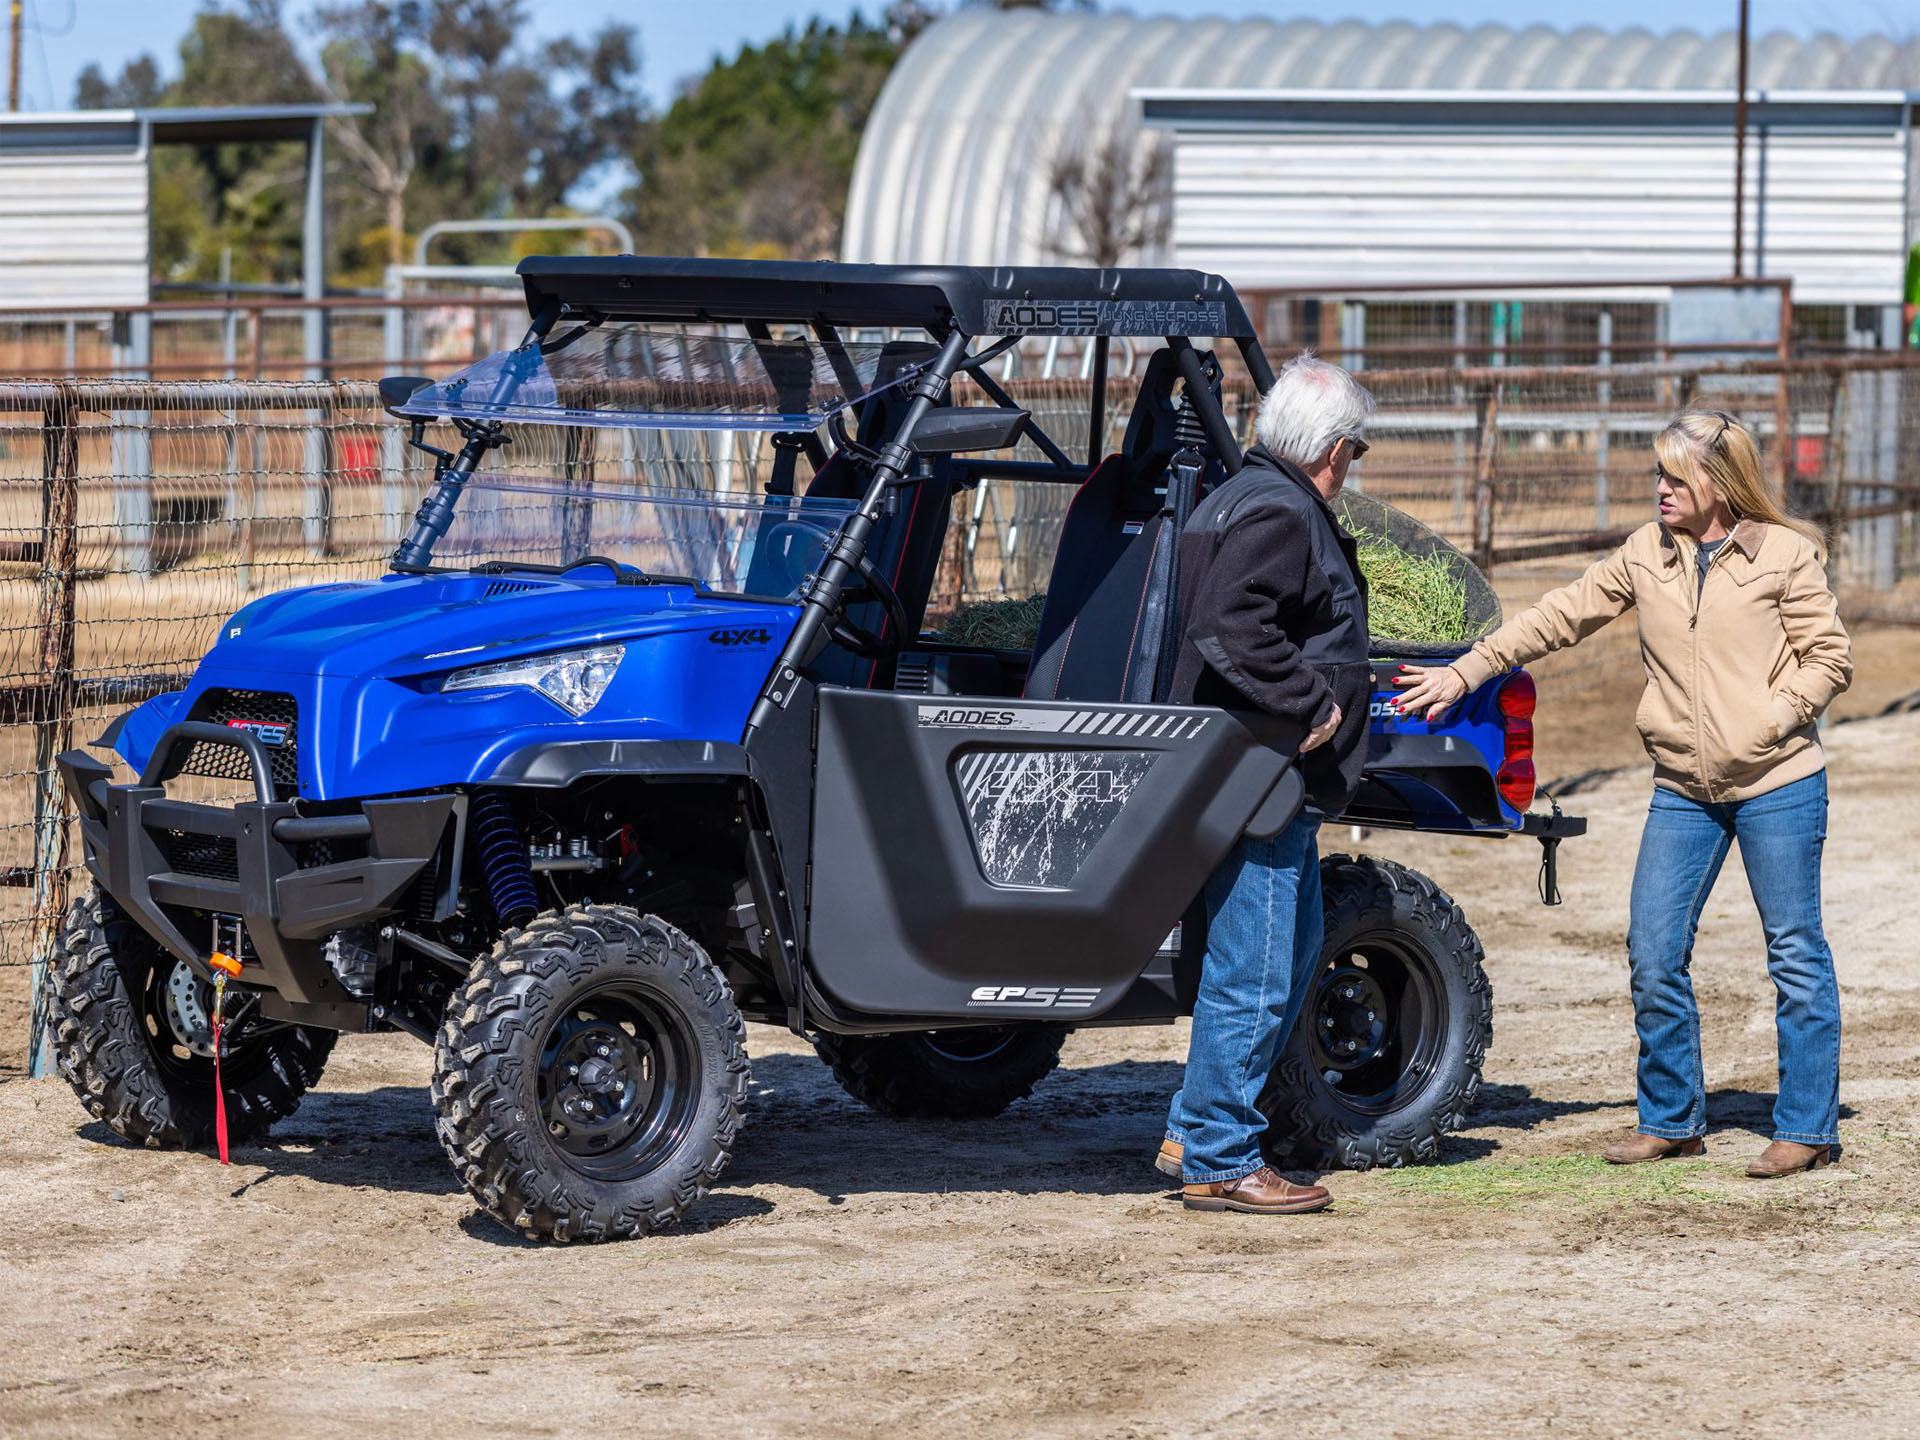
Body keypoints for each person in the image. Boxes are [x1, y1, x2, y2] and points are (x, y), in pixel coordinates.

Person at [1394, 411, 1852, 1177]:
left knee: (1794, 953)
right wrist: (1468, 669)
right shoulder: (1648, 553)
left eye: (1675, 477)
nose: (1660, 489)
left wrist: (1771, 719)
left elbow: (1828, 659)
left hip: (1778, 782)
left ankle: (1807, 1127)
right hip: (1682, 789)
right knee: (1653, 948)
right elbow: (1558, 616)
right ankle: (1673, 1119)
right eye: (1659, 476)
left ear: (1718, 483)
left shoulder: (1785, 555)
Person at [1157, 352, 1375, 1215]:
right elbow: (1228, 622)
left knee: (1280, 953)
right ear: (1331, 450)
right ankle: (1219, 1155)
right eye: (1354, 449)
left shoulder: (1243, 495)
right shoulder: (1283, 510)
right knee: (1256, 967)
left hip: (1253, 773)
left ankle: (1193, 1127)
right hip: (1264, 774)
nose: (1351, 466)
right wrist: (1310, 701)